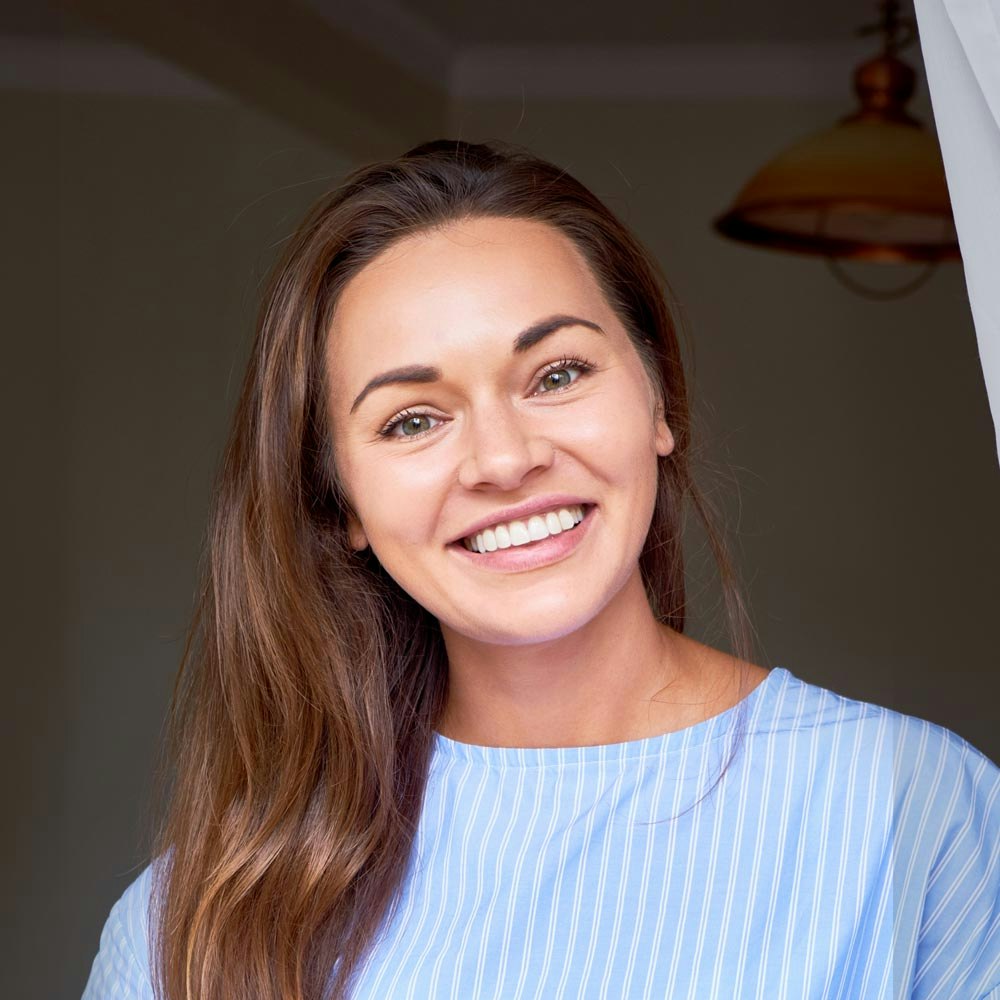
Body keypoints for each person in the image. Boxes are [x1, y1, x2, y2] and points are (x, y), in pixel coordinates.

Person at [82, 139, 998, 1000]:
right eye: (413, 419)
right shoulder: (192, 926)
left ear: (656, 400)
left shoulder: (917, 807)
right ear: (342, 505)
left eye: (557, 374)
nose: (504, 459)